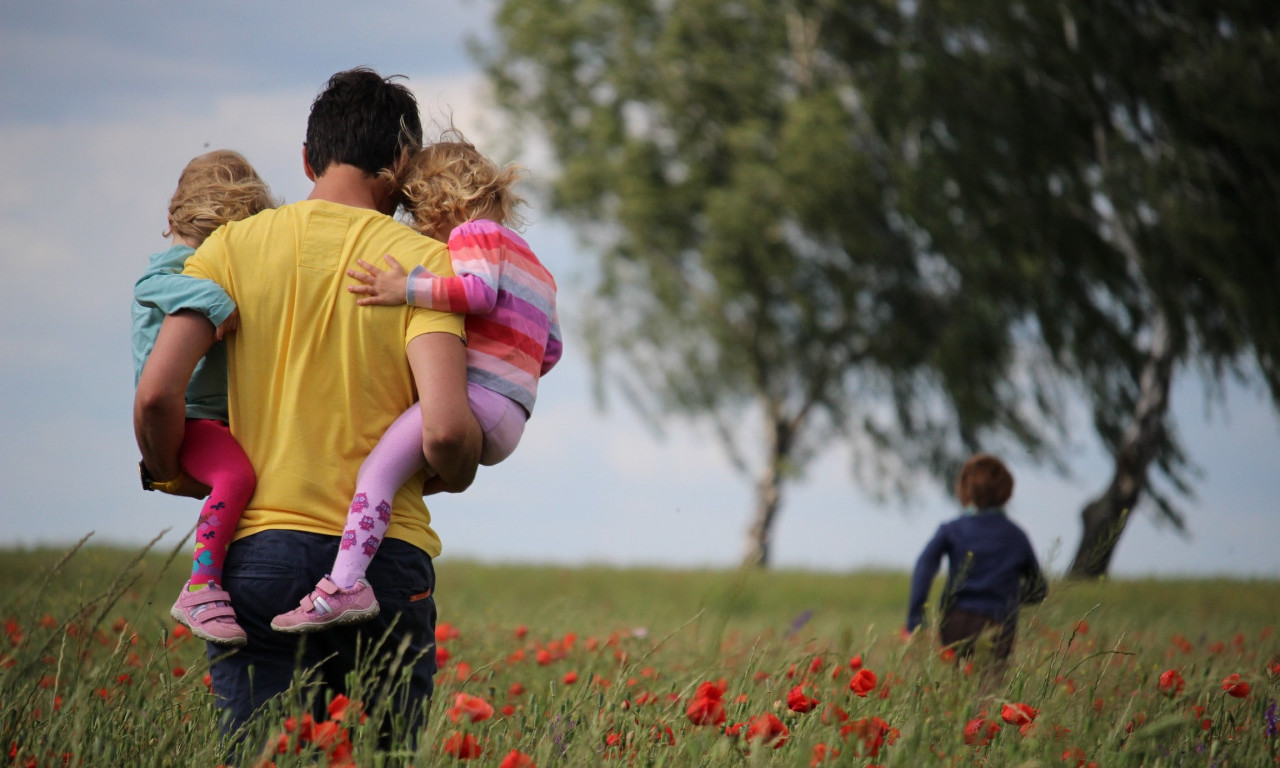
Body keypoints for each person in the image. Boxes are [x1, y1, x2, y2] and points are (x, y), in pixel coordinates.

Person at [134, 67, 482, 738]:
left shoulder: (226, 250)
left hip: (257, 553)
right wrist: (458, 468)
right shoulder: (424, 265)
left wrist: (173, 468)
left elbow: (155, 394)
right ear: (402, 163)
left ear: (306, 158)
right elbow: (442, 430)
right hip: (384, 561)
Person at [271, 136, 562, 633]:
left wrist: (403, 287)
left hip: (477, 400)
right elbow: (550, 350)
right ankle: (360, 562)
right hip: (513, 414)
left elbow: (476, 292)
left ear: (440, 202)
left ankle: (345, 584)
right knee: (403, 473)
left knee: (376, 473)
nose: (421, 228)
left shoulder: (474, 235)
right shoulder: (537, 266)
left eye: (418, 213)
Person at [132, 149, 275, 646]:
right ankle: (202, 585)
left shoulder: (201, 262)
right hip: (190, 417)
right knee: (236, 476)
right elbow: (151, 285)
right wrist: (215, 299)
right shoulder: (177, 268)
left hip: (216, 418)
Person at [905, 453, 1048, 666]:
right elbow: (1038, 589)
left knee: (959, 685)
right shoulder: (1017, 536)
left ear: (965, 489)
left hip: (956, 621)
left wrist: (915, 618)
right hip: (999, 623)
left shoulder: (951, 530)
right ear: (1006, 492)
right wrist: (1009, 598)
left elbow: (924, 566)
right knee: (989, 690)